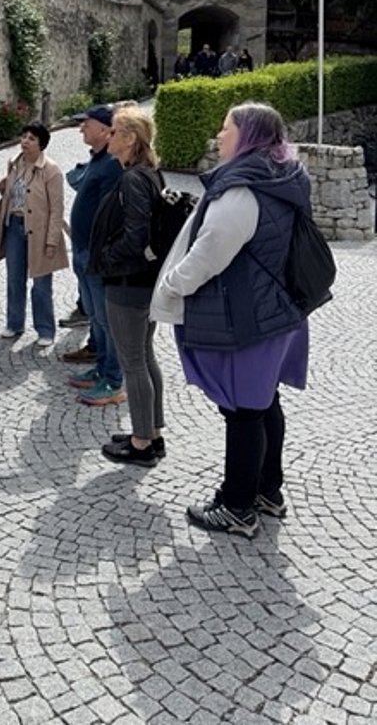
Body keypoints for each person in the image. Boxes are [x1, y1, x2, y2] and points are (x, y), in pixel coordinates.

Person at [151, 102, 311, 537]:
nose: (219, 136)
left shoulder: (242, 189)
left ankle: (238, 507)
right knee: (264, 402)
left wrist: (172, 284)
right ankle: (267, 492)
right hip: (278, 311)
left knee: (243, 412)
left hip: (248, 318)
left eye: (227, 128)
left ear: (249, 137)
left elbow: (210, 252)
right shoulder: (284, 177)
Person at [91, 106, 165, 466]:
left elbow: (136, 236)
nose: (109, 136)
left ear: (131, 138)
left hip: (128, 283)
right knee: (144, 357)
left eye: (115, 131)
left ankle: (141, 443)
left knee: (133, 362)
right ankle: (152, 432)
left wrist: (107, 257)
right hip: (141, 281)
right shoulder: (148, 174)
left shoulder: (134, 179)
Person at [61, 105, 124, 408]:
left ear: (104, 129)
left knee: (107, 320)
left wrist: (97, 252)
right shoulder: (97, 159)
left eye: (87, 124)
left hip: (95, 255)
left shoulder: (112, 164)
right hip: (83, 250)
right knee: (96, 316)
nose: (81, 129)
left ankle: (113, 378)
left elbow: (108, 213)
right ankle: (101, 367)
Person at [0, 122, 68, 347]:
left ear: (41, 144)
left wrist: (52, 241)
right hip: (14, 226)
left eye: (31, 138)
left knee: (41, 283)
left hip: (40, 231)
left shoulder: (51, 170)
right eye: (24, 136)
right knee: (14, 279)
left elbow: (57, 209)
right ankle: (14, 323)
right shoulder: (15, 163)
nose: (25, 141)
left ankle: (45, 329)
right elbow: (10, 193)